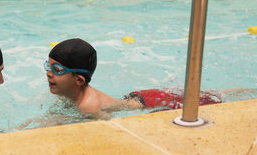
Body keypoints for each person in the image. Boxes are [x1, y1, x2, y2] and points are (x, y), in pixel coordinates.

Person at [44, 38, 222, 118]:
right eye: (48, 66)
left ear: (79, 81)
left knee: (212, 98)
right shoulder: (68, 92)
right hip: (137, 97)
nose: (49, 73)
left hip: (151, 102)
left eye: (57, 69)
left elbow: (115, 126)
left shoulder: (88, 106)